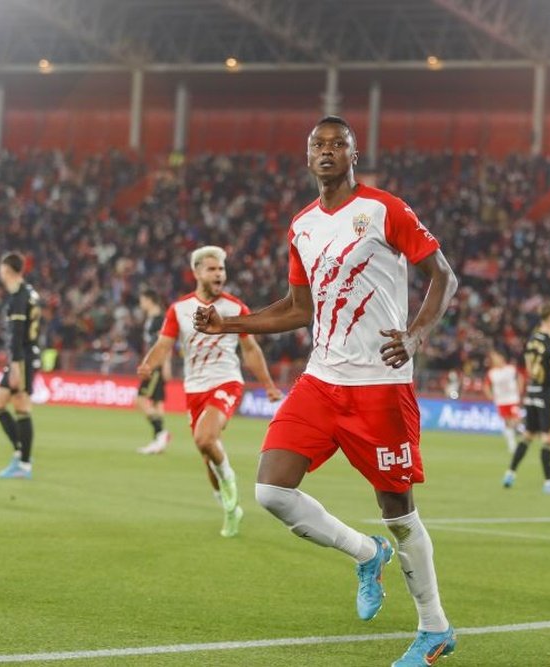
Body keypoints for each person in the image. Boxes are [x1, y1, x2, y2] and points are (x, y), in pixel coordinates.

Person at [193, 116, 460, 667]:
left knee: (398, 510)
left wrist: (414, 337)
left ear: (354, 154)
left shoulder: (384, 209)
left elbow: (443, 275)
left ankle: (435, 628)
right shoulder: (302, 225)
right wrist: (228, 325)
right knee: (271, 491)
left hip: (380, 386)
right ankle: (366, 554)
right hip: (321, 379)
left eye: (338, 144)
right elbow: (296, 309)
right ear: (307, 156)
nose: (327, 151)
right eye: (318, 144)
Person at [138, 245, 282, 538]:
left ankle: (229, 479)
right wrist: (148, 363)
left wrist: (267, 385)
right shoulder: (179, 309)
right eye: (212, 269)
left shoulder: (234, 307)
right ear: (197, 272)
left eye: (222, 269)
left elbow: (250, 349)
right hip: (194, 388)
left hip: (226, 381)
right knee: (206, 454)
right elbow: (164, 344)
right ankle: (230, 508)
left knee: (205, 438)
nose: (219, 274)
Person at [502, 303, 550, 495]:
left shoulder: (533, 339)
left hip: (532, 391)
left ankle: (510, 473)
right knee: (549, 437)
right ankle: (549, 482)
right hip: (546, 393)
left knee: (528, 435)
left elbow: (528, 367)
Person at [0, 252, 42, 480]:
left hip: (22, 359)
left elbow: (17, 335)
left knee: (21, 407)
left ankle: (23, 463)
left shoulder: (19, 297)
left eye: (1, 268)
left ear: (7, 270)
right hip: (25, 356)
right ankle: (21, 454)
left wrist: (15, 366)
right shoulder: (30, 293)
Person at [136, 289, 171, 455]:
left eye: (142, 300)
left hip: (155, 365)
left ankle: (161, 433)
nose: (141, 303)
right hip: (152, 364)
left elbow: (166, 343)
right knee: (157, 403)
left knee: (141, 400)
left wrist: (166, 365)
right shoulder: (151, 319)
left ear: (150, 300)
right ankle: (158, 441)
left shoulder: (159, 320)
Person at [483, 348, 523, 454]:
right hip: (501, 400)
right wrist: (490, 396)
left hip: (512, 399)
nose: (494, 360)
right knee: (507, 422)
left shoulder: (510, 369)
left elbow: (520, 377)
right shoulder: (492, 373)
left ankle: (521, 433)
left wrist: (520, 389)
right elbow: (486, 386)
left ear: (502, 358)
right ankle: (512, 444)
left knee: (515, 420)